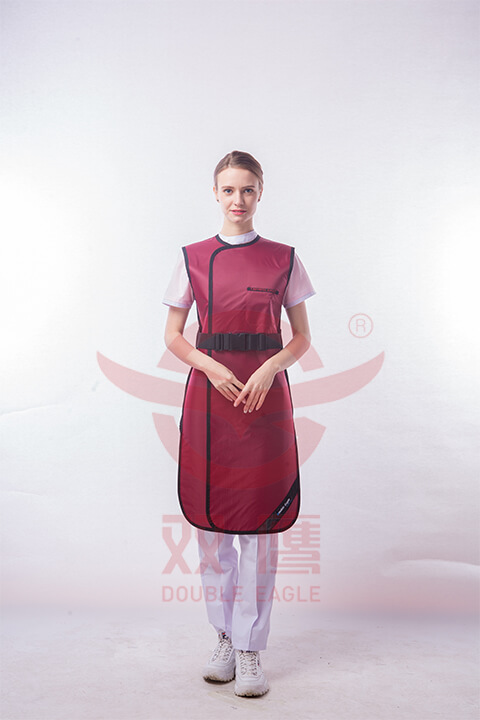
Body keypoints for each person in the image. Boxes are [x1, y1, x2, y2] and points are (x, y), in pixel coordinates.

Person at [163, 150, 315, 697]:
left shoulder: (284, 259)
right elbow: (173, 336)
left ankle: (252, 649)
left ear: (260, 192)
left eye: (247, 189)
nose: (238, 199)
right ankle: (224, 637)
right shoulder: (192, 258)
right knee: (212, 527)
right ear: (215, 193)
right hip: (210, 400)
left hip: (265, 404)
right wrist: (211, 367)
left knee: (260, 527)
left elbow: (301, 337)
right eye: (228, 190)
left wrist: (270, 368)